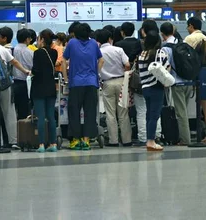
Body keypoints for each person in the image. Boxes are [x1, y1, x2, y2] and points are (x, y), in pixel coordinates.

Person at [62, 23, 104, 151]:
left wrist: (66, 77)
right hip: (91, 82)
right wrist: (95, 73)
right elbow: (101, 60)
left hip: (76, 83)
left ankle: (75, 140)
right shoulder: (94, 44)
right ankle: (86, 140)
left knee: (74, 111)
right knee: (90, 111)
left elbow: (63, 60)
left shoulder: (72, 43)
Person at [96, 29, 132, 147]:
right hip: (121, 82)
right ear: (110, 39)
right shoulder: (118, 50)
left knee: (110, 114)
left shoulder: (98, 52)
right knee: (123, 113)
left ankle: (113, 140)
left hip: (107, 83)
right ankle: (127, 140)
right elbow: (127, 65)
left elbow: (97, 69)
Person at [161, 22, 193, 146]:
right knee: (184, 111)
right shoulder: (183, 43)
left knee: (181, 113)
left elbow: (165, 68)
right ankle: (185, 136)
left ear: (162, 34)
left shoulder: (165, 48)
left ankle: (185, 139)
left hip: (177, 83)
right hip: (188, 81)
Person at [138, 31, 170, 151]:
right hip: (157, 87)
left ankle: (148, 139)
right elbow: (167, 69)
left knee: (148, 115)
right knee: (154, 115)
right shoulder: (160, 53)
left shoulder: (142, 54)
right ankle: (151, 141)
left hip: (145, 87)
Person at [30, 29, 59, 153]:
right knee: (51, 117)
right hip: (51, 86)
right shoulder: (54, 52)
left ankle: (41, 144)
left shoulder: (38, 53)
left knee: (41, 117)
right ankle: (53, 143)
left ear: (41, 39)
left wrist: (31, 72)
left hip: (39, 87)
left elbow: (36, 70)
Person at [12, 29, 35, 120]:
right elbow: (33, 67)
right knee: (24, 109)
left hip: (14, 82)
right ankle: (23, 131)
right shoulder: (31, 52)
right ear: (27, 39)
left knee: (13, 109)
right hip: (27, 83)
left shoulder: (12, 50)